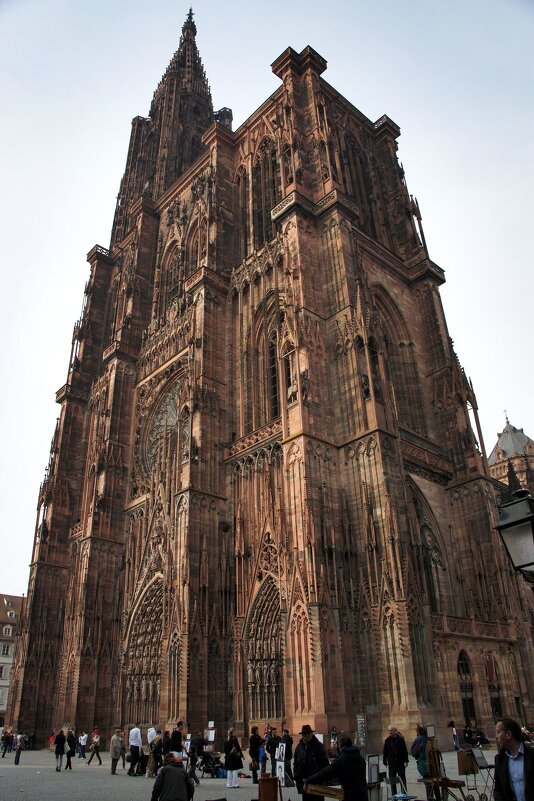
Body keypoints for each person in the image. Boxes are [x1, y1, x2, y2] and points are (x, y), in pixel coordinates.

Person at [306, 736, 368, 801]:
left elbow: (327, 772)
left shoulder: (343, 759)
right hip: (363, 795)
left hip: (351, 796)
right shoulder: (360, 758)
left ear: (341, 746)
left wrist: (310, 780)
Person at [494, 716, 534, 801]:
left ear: (509, 735)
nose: (496, 736)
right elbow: (498, 789)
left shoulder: (532, 754)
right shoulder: (499, 760)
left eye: (498, 732)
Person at [293, 725, 329, 801]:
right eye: (304, 733)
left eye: (308, 733)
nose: (306, 735)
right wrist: (296, 777)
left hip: (317, 784)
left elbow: (325, 765)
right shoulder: (299, 747)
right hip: (304, 784)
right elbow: (296, 764)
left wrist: (323, 781)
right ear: (302, 735)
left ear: (311, 733)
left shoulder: (319, 746)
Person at [411, 724, 439, 801]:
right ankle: (438, 798)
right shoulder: (430, 738)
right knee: (435, 783)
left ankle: (430, 799)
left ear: (418, 731)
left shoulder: (418, 740)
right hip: (435, 764)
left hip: (424, 765)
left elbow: (413, 753)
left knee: (428, 784)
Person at [383, 725, 409, 793]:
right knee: (392, 781)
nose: (390, 732)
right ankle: (394, 797)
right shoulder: (387, 740)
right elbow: (385, 752)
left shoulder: (400, 739)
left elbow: (405, 751)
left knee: (402, 780)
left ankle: (404, 796)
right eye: (389, 730)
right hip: (392, 764)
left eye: (392, 730)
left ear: (395, 731)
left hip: (400, 763)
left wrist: (406, 760)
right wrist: (385, 761)